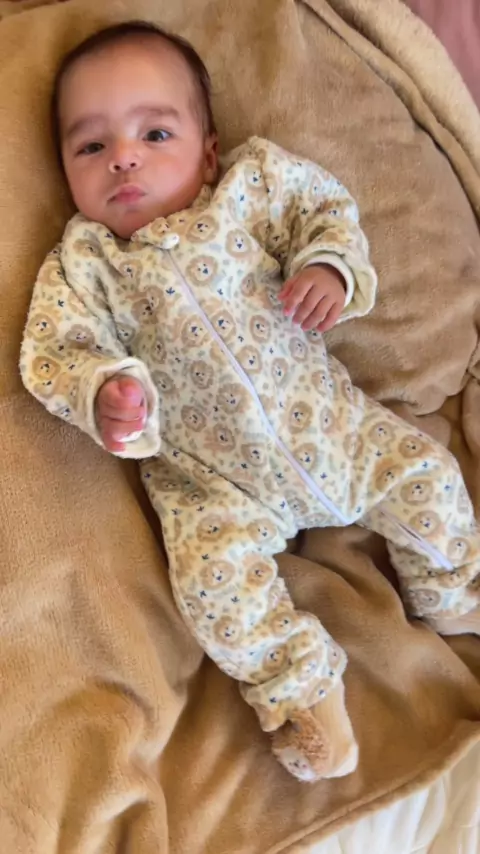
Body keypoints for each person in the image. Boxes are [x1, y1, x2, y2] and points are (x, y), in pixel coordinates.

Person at [20, 20, 480, 784]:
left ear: (207, 152)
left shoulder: (249, 187)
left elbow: (324, 212)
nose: (123, 157)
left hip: (331, 430)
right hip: (212, 484)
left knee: (427, 475)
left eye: (154, 133)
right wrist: (102, 392)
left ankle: (453, 591)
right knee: (211, 583)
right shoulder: (85, 264)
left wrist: (328, 269)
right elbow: (54, 349)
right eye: (91, 146)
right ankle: (306, 698)